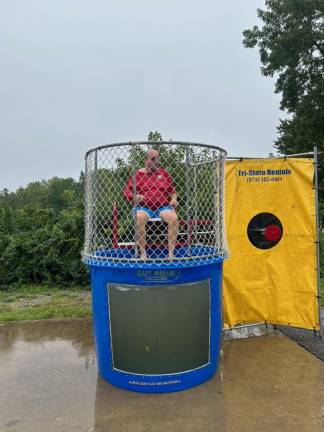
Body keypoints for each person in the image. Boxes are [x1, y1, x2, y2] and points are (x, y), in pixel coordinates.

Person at [123, 149, 179, 260]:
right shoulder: (137, 175)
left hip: (162, 207)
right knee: (138, 217)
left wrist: (173, 199)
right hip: (143, 208)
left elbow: (173, 191)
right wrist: (135, 197)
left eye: (158, 158)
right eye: (153, 159)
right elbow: (126, 191)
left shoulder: (164, 173)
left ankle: (171, 254)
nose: (157, 161)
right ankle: (143, 253)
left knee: (173, 217)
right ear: (146, 160)